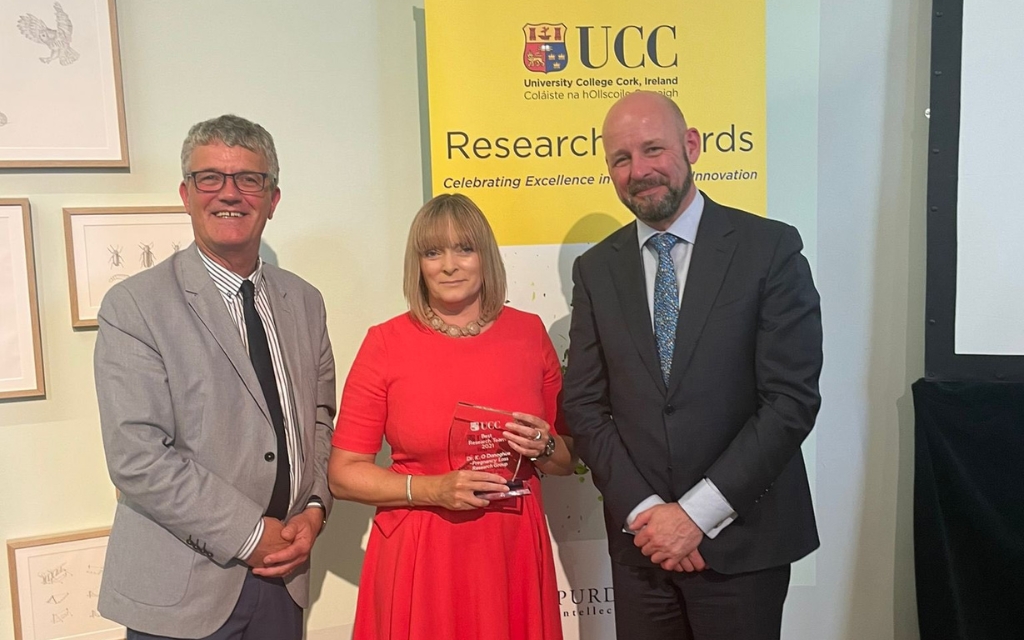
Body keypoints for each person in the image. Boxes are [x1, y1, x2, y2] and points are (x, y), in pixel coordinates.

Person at [563, 91, 822, 639]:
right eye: (621, 158)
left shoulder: (769, 249)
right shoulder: (595, 270)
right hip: (644, 549)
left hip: (743, 544)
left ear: (692, 146)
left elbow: (790, 401)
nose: (639, 170)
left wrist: (695, 516)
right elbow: (583, 406)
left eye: (653, 149)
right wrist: (649, 516)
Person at [94, 114, 337, 640]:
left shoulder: (306, 301)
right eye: (211, 178)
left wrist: (315, 508)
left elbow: (320, 422)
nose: (230, 193)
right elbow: (137, 456)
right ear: (186, 193)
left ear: (272, 199)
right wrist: (250, 535)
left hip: (284, 579)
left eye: (249, 179)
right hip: (182, 587)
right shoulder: (135, 306)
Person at [329, 193, 574, 640]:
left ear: (485, 256)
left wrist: (546, 446)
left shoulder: (528, 333)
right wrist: (433, 489)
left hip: (510, 548)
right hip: (423, 554)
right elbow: (344, 475)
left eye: (464, 248)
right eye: (432, 252)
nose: (449, 265)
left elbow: (566, 459)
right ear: (418, 264)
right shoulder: (386, 343)